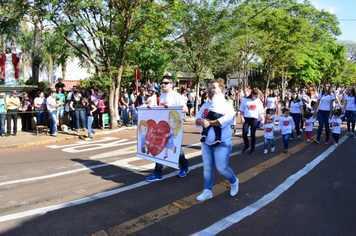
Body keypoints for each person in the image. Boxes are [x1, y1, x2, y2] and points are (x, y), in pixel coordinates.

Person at [195, 85, 239, 201]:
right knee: (207, 167)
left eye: (213, 89)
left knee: (222, 169)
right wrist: (202, 121)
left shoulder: (227, 105)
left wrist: (209, 122)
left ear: (221, 89)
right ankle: (207, 190)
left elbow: (227, 119)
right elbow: (197, 118)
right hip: (206, 143)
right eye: (208, 90)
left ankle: (234, 181)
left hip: (222, 143)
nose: (210, 91)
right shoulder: (205, 105)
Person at [146, 75, 190, 182]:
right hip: (163, 127)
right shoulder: (162, 96)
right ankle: (157, 173)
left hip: (173, 128)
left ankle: (184, 166)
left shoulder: (176, 96)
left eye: (165, 83)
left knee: (177, 149)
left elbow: (186, 109)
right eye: (162, 83)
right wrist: (152, 107)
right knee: (159, 147)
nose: (163, 85)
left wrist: (171, 106)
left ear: (171, 84)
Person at [200, 78, 226, 147]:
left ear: (220, 88)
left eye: (214, 88)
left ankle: (204, 134)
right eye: (212, 88)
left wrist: (209, 111)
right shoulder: (219, 96)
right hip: (219, 114)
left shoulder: (217, 96)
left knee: (207, 121)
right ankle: (218, 139)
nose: (212, 90)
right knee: (216, 127)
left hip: (215, 112)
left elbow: (214, 105)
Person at [239, 88, 265, 155]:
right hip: (246, 118)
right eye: (256, 96)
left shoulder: (258, 101)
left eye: (258, 96)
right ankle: (247, 145)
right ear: (252, 94)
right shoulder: (245, 100)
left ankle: (252, 148)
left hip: (254, 119)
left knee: (253, 134)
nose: (256, 98)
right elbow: (241, 110)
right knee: (244, 133)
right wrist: (242, 117)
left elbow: (260, 112)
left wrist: (262, 119)